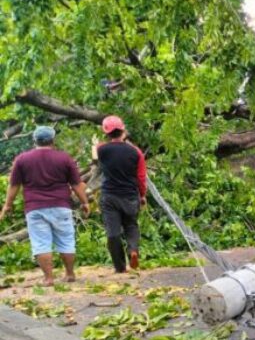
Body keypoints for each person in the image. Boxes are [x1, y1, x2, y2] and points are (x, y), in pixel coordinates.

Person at [1, 126, 90, 286]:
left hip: (34, 207)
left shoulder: (22, 159)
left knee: (41, 242)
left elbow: (14, 185)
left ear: (34, 140)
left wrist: (7, 205)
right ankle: (69, 274)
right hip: (61, 205)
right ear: (53, 140)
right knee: (66, 240)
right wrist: (84, 202)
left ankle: (49, 278)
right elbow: (76, 184)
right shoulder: (64, 158)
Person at [92, 116, 147, 272]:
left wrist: (94, 144)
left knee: (113, 232)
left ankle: (120, 267)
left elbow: (95, 157)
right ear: (123, 130)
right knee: (131, 225)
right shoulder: (136, 152)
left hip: (109, 196)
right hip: (130, 195)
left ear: (106, 133)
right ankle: (133, 250)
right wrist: (142, 195)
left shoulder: (102, 149)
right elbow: (141, 177)